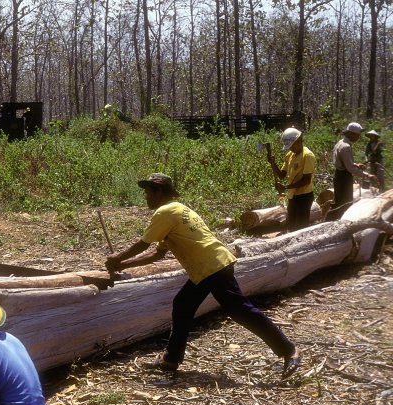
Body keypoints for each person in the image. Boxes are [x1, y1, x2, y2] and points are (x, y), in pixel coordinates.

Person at [104, 173, 302, 379]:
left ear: (158, 192)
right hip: (210, 266)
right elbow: (157, 253)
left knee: (240, 310)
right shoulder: (179, 209)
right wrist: (122, 264)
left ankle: (289, 350)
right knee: (182, 305)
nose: (146, 197)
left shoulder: (164, 212)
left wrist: (118, 257)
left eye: (148, 192)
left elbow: (143, 244)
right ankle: (171, 360)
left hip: (212, 266)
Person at [265, 127, 315, 231]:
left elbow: (306, 180)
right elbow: (282, 175)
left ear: (298, 141)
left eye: (291, 146)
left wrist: (286, 187)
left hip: (304, 197)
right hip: (293, 196)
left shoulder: (308, 155)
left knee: (301, 228)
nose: (290, 149)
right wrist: (273, 163)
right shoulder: (290, 155)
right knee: (291, 226)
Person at [328, 122, 377, 220]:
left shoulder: (340, 143)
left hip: (339, 175)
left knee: (339, 201)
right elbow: (350, 169)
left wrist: (356, 165)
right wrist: (367, 175)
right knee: (345, 203)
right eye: (358, 135)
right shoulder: (346, 147)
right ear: (351, 134)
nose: (358, 137)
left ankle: (332, 220)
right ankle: (337, 223)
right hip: (344, 178)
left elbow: (346, 163)